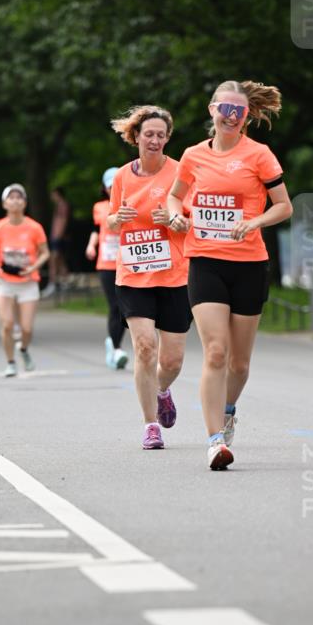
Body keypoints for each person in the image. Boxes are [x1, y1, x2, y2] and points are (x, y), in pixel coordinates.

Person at [168, 80, 292, 470]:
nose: (231, 115)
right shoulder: (192, 156)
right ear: (212, 110)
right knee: (216, 352)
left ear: (246, 116)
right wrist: (176, 213)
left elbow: (284, 206)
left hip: (249, 265)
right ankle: (213, 440)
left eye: (238, 111)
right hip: (205, 261)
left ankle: (227, 410)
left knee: (239, 364)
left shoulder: (259, 155)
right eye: (225, 108)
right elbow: (175, 194)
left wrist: (255, 220)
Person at [108, 105, 191, 450]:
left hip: (175, 274)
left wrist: (174, 221)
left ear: (167, 138)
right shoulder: (122, 177)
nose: (154, 140)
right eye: (148, 134)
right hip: (134, 273)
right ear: (136, 137)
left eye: (161, 134)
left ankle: (162, 389)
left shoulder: (181, 173)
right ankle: (150, 425)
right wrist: (118, 218)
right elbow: (111, 222)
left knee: (170, 361)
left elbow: (191, 222)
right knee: (144, 348)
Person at [0, 183, 49, 377]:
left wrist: (33, 267)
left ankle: (24, 349)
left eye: (19, 197)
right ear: (4, 204)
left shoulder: (34, 227)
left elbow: (45, 253)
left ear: (24, 203)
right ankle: (10, 362)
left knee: (27, 328)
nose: (15, 201)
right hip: (4, 282)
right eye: (11, 198)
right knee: (6, 324)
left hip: (28, 282)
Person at [85, 167, 129, 369]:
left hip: (128, 262)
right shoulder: (99, 207)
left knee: (126, 306)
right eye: (109, 184)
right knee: (115, 305)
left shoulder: (130, 203)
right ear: (104, 187)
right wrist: (90, 245)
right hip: (106, 262)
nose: (113, 187)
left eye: (116, 183)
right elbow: (96, 229)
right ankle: (117, 347)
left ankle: (113, 343)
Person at [41, 187, 71, 298]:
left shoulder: (63, 205)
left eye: (53, 194)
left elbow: (63, 221)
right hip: (56, 236)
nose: (52, 197)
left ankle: (52, 283)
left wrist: (58, 236)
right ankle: (65, 281)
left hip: (58, 237)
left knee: (53, 259)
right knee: (59, 260)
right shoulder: (59, 205)